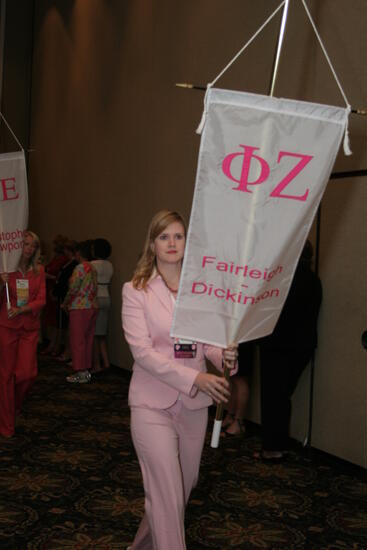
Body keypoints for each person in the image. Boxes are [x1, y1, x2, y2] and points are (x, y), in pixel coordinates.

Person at [122, 210, 238, 550]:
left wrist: (224, 356)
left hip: (193, 408)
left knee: (178, 492)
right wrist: (197, 377)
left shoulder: (199, 290)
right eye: (164, 236)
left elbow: (209, 344)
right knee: (167, 493)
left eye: (178, 236)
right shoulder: (136, 290)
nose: (172, 243)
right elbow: (142, 353)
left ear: (187, 242)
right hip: (150, 405)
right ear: (153, 244)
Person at [257, 240, 322, 460]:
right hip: (302, 346)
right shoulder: (314, 280)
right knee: (282, 396)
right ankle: (280, 443)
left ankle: (272, 447)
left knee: (272, 397)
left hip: (277, 345)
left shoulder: (282, 280)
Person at [0, 231, 46, 438]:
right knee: (5, 375)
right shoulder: (5, 270)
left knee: (27, 374)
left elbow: (41, 299)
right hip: (7, 326)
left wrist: (23, 309)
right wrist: (2, 282)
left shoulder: (39, 271)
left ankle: (15, 405)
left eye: (32, 246)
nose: (28, 249)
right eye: (25, 244)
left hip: (29, 327)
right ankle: (6, 423)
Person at [62, 241, 98, 384]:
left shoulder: (79, 268)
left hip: (79, 307)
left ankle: (80, 371)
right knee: (88, 339)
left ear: (79, 253)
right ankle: (86, 370)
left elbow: (73, 288)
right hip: (92, 306)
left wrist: (65, 303)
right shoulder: (92, 268)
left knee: (77, 340)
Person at [52, 239, 78, 363]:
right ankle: (61, 349)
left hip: (67, 298)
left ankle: (67, 351)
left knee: (67, 326)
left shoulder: (75, 265)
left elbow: (69, 283)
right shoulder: (69, 263)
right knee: (63, 325)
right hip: (63, 296)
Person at [91, 238, 114, 373]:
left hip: (96, 297)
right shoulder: (109, 265)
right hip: (107, 297)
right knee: (102, 333)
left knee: (94, 334)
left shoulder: (92, 264)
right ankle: (106, 362)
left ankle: (96, 365)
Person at [222, 341, 254, 436]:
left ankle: (239, 422)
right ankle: (231, 415)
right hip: (232, 340)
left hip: (243, 340)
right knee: (231, 377)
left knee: (240, 379)